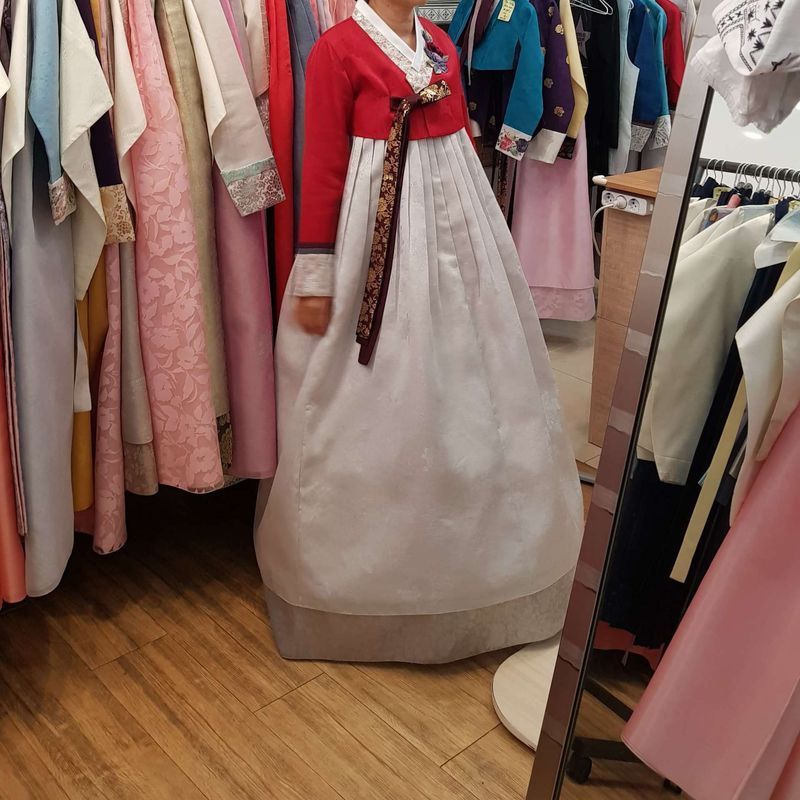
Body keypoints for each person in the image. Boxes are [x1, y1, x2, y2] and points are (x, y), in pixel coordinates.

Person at [254, 0, 583, 663]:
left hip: (455, 218)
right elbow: (323, 165)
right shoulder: (337, 51)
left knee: (473, 376)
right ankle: (364, 575)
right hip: (374, 225)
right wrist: (316, 269)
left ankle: (482, 552)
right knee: (372, 389)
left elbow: (462, 142)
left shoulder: (439, 42)